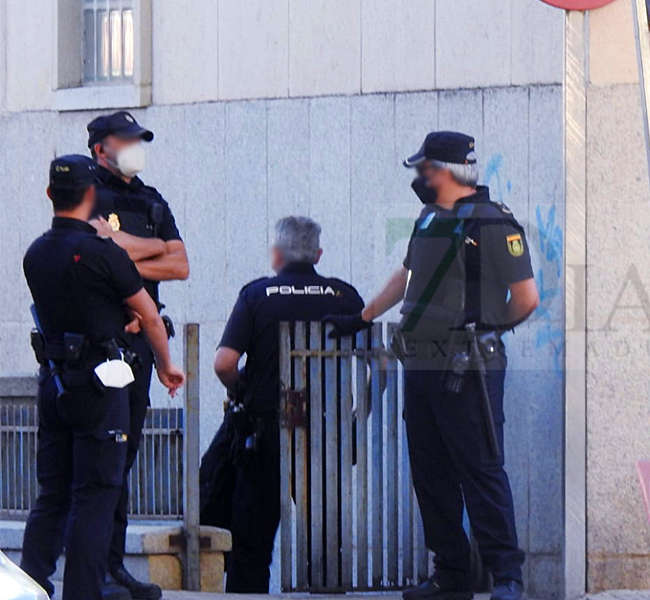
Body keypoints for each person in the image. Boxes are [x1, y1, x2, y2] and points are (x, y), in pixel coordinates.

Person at [326, 132, 539, 600]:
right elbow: (408, 276)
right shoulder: (428, 218)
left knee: (481, 469)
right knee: (430, 473)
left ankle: (506, 577)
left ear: (445, 172)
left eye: (423, 170)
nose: (418, 179)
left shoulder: (493, 223)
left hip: (469, 368)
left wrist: (480, 328)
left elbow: (526, 299)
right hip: (420, 364)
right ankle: (452, 575)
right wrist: (362, 316)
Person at [20, 155, 185, 600]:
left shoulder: (35, 252)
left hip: (54, 383)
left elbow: (80, 303)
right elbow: (149, 315)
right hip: (102, 384)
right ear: (92, 196)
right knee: (95, 496)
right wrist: (168, 365)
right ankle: (82, 593)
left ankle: (30, 586)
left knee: (52, 493)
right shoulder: (103, 253)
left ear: (51, 194)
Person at [212, 216, 364, 593]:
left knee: (252, 538)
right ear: (318, 254)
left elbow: (224, 364)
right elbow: (375, 360)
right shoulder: (346, 297)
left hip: (268, 431)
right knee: (326, 534)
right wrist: (357, 415)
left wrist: (241, 391)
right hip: (328, 431)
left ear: (276, 253)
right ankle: (326, 590)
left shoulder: (256, 295)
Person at [87, 111, 190, 600]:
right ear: (99, 147)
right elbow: (95, 253)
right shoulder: (86, 191)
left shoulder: (150, 198)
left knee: (124, 454)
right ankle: (94, 571)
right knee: (100, 458)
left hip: (140, 343)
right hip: (101, 341)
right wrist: (153, 250)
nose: (134, 146)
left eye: (138, 139)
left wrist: (128, 248)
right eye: (124, 139)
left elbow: (182, 264)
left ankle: (113, 566)